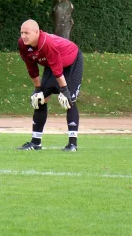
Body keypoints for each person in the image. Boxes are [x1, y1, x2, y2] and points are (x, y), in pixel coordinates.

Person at [17, 19, 83, 152]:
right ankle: (36, 143)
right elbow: (31, 68)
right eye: (21, 32)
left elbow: (57, 69)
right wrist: (37, 89)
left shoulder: (46, 43)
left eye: (27, 33)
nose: (23, 36)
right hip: (53, 65)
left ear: (37, 32)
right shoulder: (23, 44)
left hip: (71, 62)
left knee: (68, 100)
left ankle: (72, 144)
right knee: (40, 99)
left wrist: (64, 90)